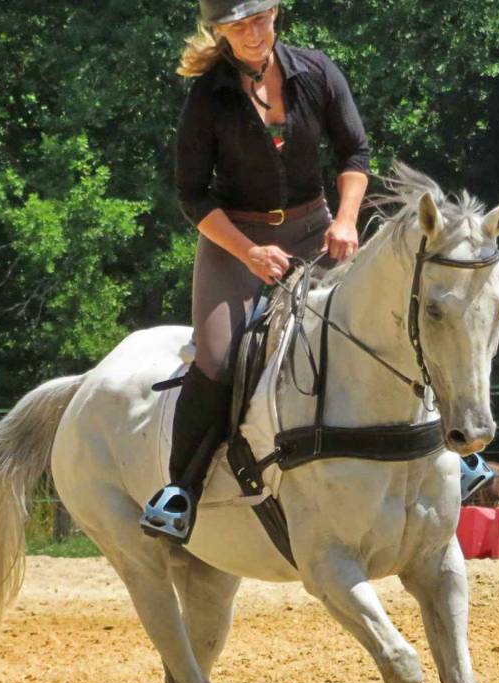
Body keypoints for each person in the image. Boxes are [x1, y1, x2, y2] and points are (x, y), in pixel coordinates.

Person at [140, 0, 371, 544]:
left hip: (318, 228)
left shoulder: (317, 71)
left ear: (277, 14)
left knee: (381, 320)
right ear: (218, 31)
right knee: (219, 360)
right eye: (238, 25)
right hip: (234, 242)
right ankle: (181, 492)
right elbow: (192, 193)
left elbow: (354, 154)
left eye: (260, 18)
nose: (252, 32)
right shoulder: (208, 96)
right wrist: (248, 252)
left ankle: (444, 457)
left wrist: (345, 220)